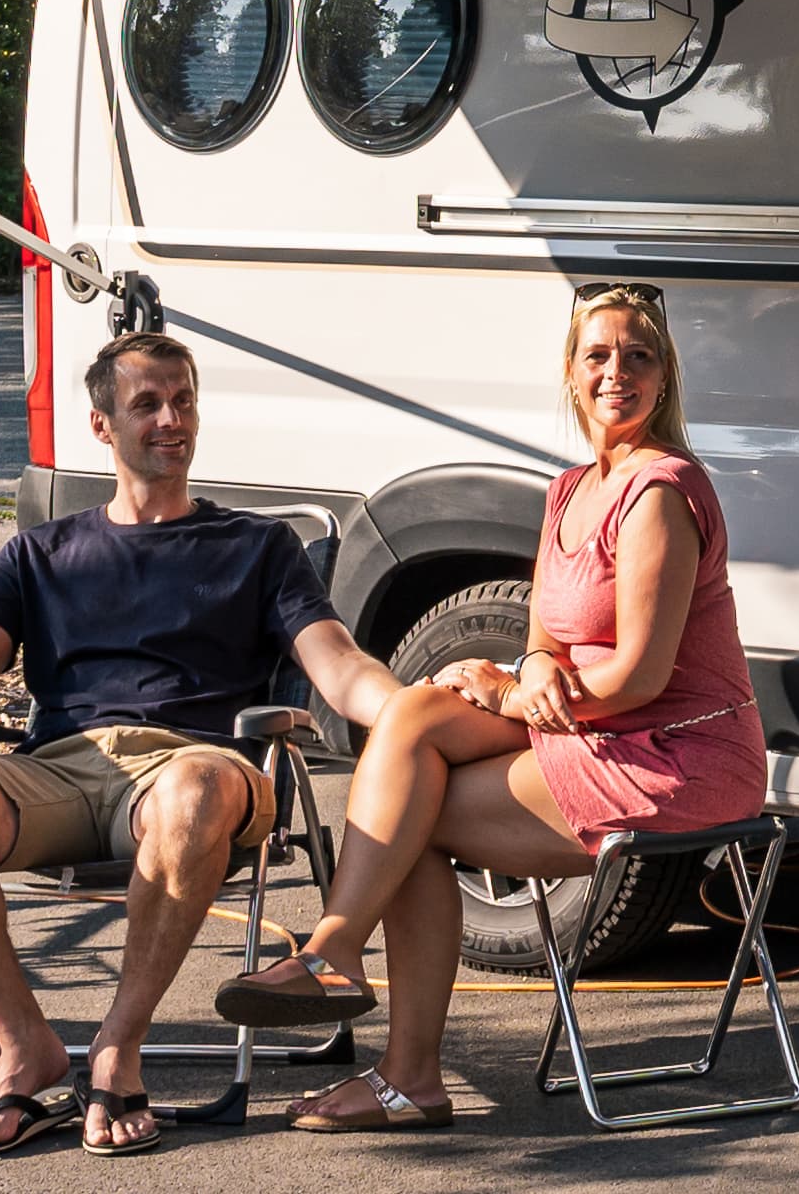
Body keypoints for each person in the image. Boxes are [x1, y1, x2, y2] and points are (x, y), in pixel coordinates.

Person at [213, 282, 766, 1134]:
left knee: (415, 821)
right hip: (597, 729)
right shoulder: (571, 489)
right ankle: (340, 964)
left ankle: (388, 1045)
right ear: (573, 374)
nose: (617, 371)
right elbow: (546, 634)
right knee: (420, 714)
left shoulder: (660, 491)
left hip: (677, 752)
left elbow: (642, 677)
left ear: (664, 377)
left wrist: (515, 689)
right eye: (598, 355)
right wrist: (529, 666)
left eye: (639, 356)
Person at [0, 331, 402, 1159]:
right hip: (63, 769)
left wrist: (412, 709)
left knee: (189, 790)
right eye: (146, 404)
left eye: (183, 400)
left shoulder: (257, 547)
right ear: (101, 426)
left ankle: (118, 1045)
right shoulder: (42, 552)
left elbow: (339, 666)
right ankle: (25, 1048)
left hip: (204, 766)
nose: (170, 420)